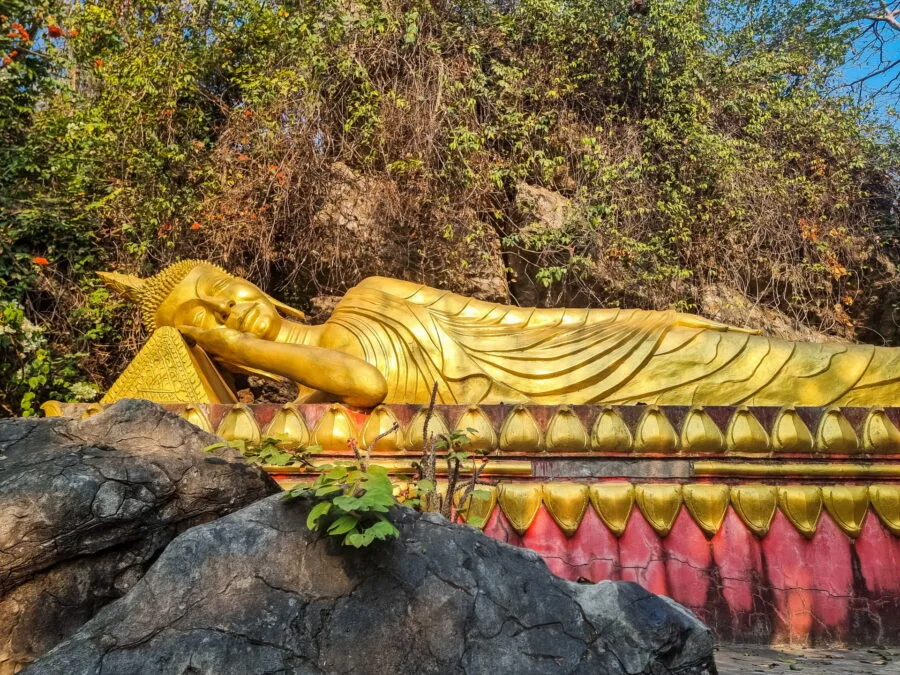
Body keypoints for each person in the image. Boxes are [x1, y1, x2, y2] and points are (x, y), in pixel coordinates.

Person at [100, 260, 900, 407]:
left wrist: (633, 323)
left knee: (814, 368)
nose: (225, 314)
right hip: (545, 405)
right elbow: (366, 383)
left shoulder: (369, 294)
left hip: (595, 360)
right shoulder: (314, 386)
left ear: (246, 277)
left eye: (218, 292)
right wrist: (235, 352)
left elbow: (519, 322)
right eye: (201, 326)